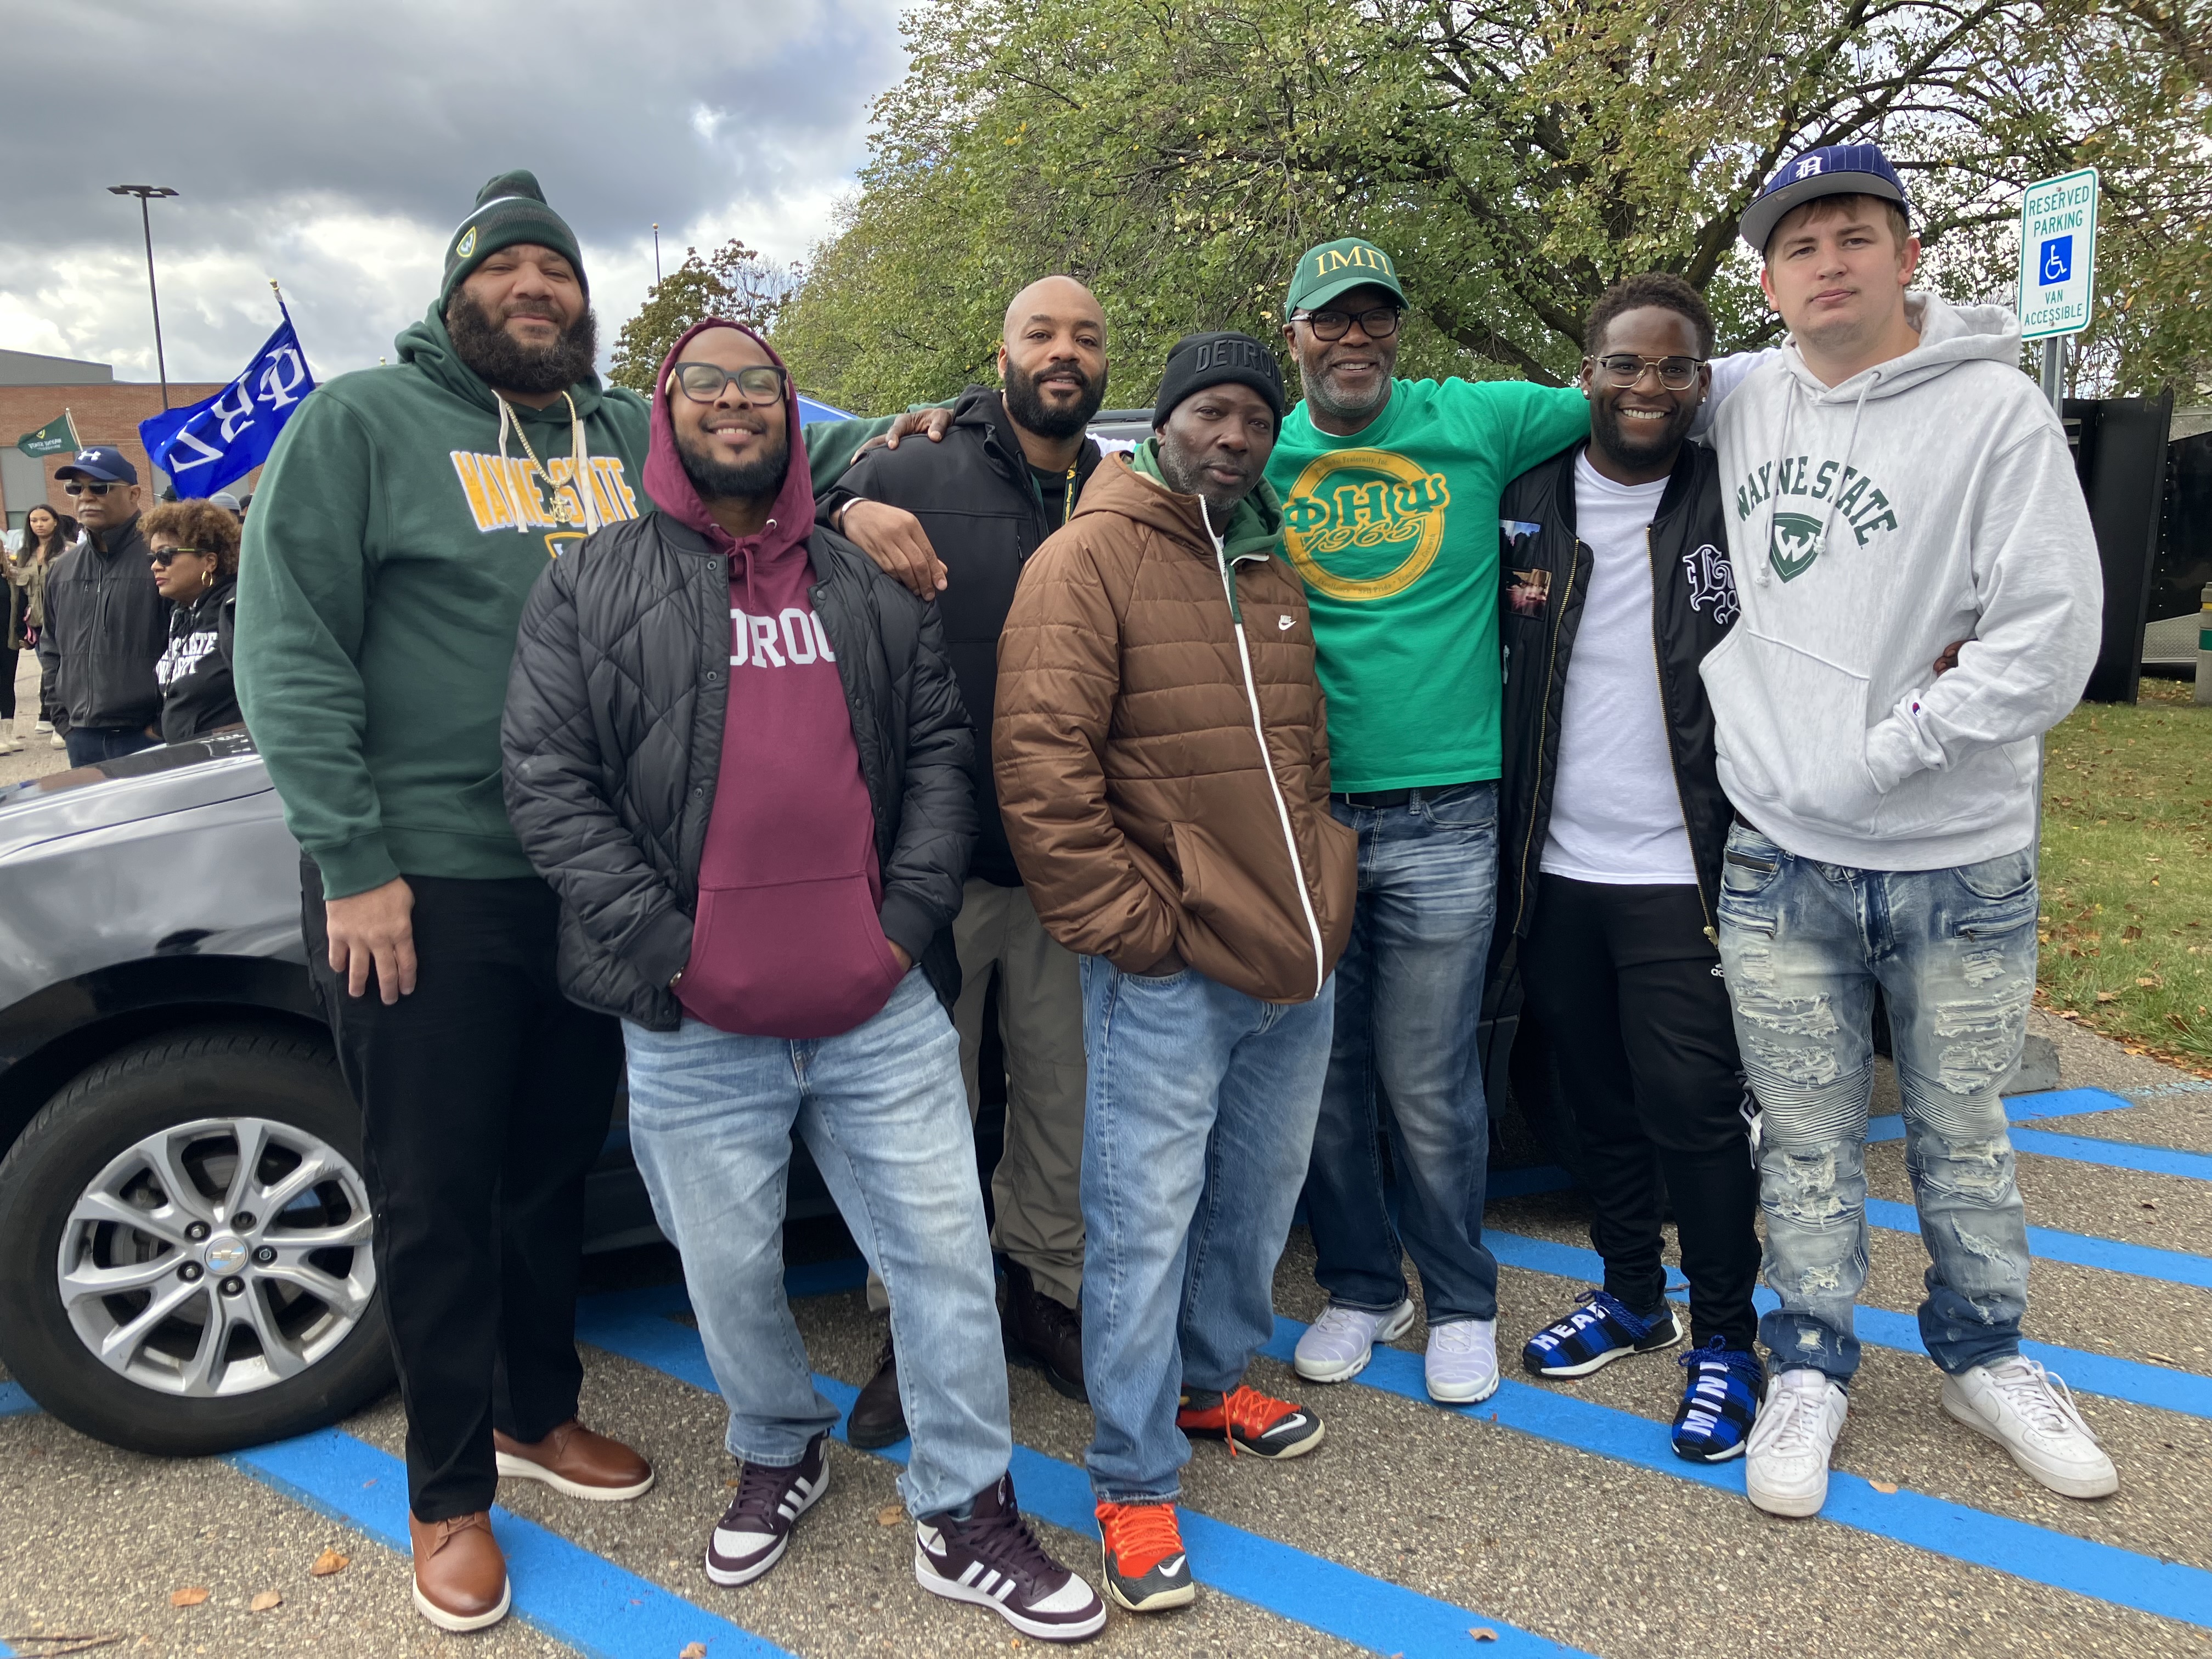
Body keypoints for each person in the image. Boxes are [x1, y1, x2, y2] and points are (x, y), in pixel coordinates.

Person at [503, 318, 1105, 1643]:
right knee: (726, 1272)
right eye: (705, 383)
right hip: (690, 1018)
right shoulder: (590, 583)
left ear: (788, 415)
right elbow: (549, 789)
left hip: (879, 1008)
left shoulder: (863, 574)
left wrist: (900, 932)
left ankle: (967, 1513)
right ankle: (779, 1442)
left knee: (945, 1261)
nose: (734, 401)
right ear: (665, 414)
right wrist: (676, 951)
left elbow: (944, 757)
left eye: (757, 384)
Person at [235, 169, 656, 1633]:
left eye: (559, 273)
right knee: (435, 1198)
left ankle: (542, 1414)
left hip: (589, 884)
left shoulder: (617, 434)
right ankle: (448, 1493)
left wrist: (899, 451)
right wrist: (352, 861)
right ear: (457, 292)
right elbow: (288, 646)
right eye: (508, 271)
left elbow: (775, 440)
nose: (537, 291)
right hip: (425, 883)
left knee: (551, 1174)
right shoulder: (361, 424)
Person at [1705, 143, 2113, 1518]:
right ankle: (1809, 1363)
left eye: (1856, 236)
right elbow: (1607, 398)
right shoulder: (1740, 399)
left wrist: (1896, 748)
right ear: (1767, 279)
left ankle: (1985, 1355)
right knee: (1805, 1137)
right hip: (1778, 857)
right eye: (1802, 243)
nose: (1830, 260)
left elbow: (2054, 636)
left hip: (1957, 859)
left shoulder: (1997, 413)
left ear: (1909, 256)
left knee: (1963, 1129)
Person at [996, 332, 1356, 1615]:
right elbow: (1044, 772)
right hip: (1170, 969)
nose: (1235, 438)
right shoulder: (1087, 557)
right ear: (1166, 422)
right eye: (1212, 412)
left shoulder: (1265, 561)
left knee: (1252, 1205)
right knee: (1142, 1229)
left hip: (1287, 959)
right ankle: (1133, 1475)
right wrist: (1139, 931)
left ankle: (1211, 1386)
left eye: (1254, 421)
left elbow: (1301, 757)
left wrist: (1323, 881)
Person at [805, 276, 1110, 1440]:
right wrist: (844, 508)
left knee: (1061, 1108)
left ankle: (1043, 1294)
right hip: (928, 865)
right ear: (1002, 351)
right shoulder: (912, 466)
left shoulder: (1121, 488)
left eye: (1086, 336)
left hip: (1074, 865)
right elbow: (779, 515)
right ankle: (911, 1330)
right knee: (923, 1121)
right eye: (1042, 332)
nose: (1064, 352)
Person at [1494, 273, 1765, 1461]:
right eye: (1626, 364)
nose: (1648, 386)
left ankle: (1724, 1339)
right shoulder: (1529, 497)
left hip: (1682, 869)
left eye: (1674, 368)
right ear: (1587, 372)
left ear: (1703, 383)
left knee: (1693, 1115)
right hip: (1556, 864)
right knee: (1592, 1099)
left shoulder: (1733, 495)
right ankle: (1631, 1299)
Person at [39, 449, 166, 768]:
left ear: (134, 494)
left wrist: (163, 725)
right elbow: (51, 648)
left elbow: (193, 644)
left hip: (148, 737)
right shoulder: (63, 568)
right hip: (82, 739)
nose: (85, 497)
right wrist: (64, 722)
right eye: (75, 488)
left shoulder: (163, 560)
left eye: (100, 488)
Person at [142, 499, 244, 742]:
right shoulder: (181, 614)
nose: (156, 566)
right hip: (189, 758)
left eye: (166, 555)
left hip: (228, 764)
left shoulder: (236, 609)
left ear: (210, 561)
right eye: (153, 557)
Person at [18, 505, 76, 746]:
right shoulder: (24, 554)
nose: (39, 524)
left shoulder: (70, 551)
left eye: (44, 519)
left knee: (63, 670)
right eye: (34, 520)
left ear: (55, 522)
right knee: (50, 672)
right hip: (36, 624)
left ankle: (61, 722)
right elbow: (18, 592)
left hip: (65, 620)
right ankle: (53, 717)